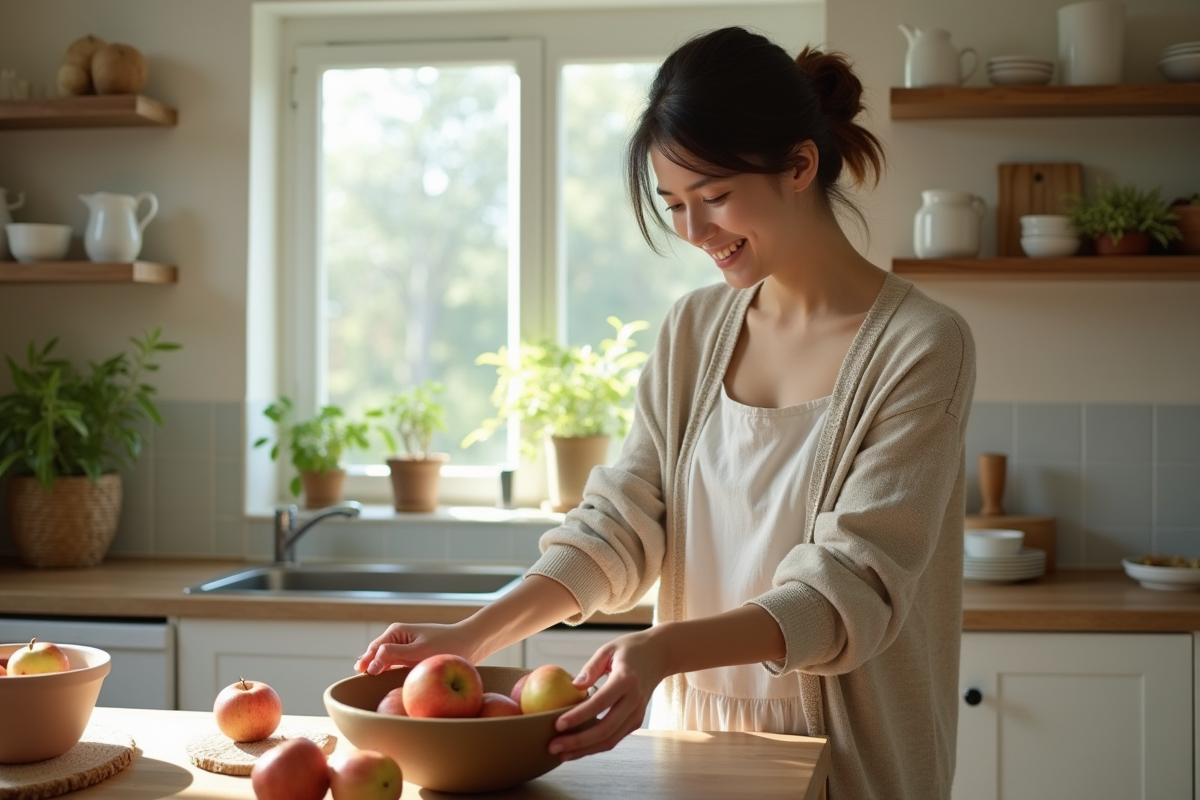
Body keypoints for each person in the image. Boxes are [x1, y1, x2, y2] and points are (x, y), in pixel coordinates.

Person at [356, 25, 975, 799]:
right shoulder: (694, 329)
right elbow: (622, 524)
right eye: (673, 204)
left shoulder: (922, 344)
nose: (692, 231)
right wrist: (474, 634)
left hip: (848, 768)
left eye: (714, 197)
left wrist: (661, 649)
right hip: (695, 755)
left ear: (800, 166)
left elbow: (851, 588)